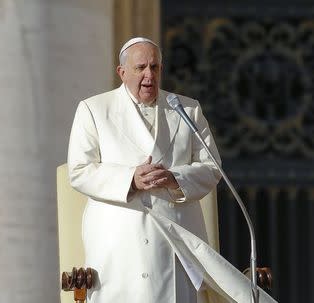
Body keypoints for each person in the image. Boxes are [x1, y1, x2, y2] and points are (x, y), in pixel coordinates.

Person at [67, 37, 277, 303]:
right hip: (120, 242)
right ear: (121, 72)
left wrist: (174, 178)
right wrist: (130, 179)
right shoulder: (94, 109)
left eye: (155, 67)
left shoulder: (187, 108)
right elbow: (79, 170)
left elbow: (212, 166)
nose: (149, 75)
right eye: (140, 67)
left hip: (176, 241)